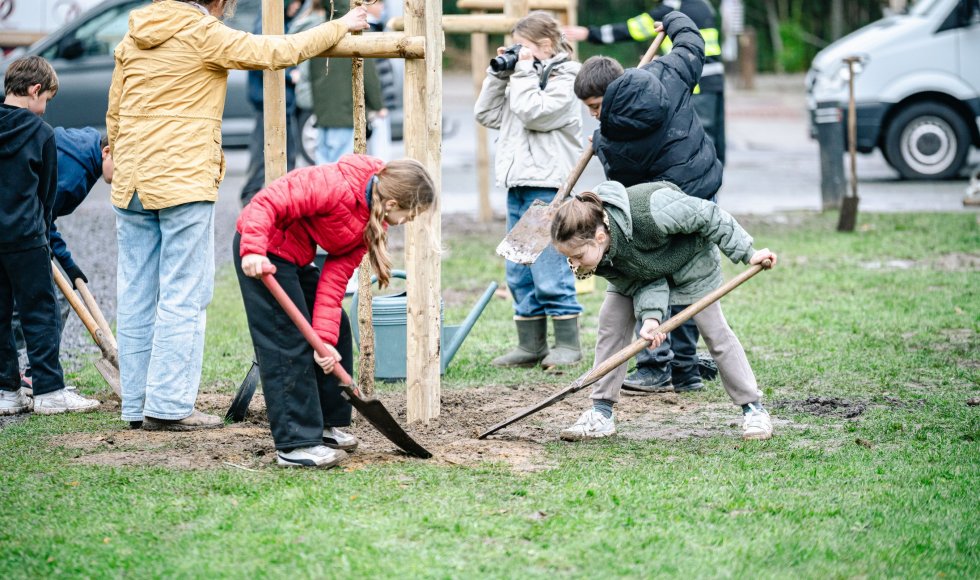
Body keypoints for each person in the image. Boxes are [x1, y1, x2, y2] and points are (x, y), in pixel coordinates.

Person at [106, 0, 369, 431]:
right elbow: (276, 52)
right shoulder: (202, 31)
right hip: (181, 179)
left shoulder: (134, 33)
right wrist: (338, 27)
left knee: (134, 294)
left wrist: (115, 152)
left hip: (131, 178)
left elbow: (115, 108)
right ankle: (168, 406)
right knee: (183, 293)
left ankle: (134, 405)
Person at [235, 155, 435, 468]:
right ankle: (296, 442)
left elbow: (335, 277)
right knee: (288, 338)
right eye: (411, 214)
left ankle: (326, 423)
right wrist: (253, 250)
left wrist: (325, 341)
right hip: (263, 254)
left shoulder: (371, 222)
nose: (409, 222)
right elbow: (266, 202)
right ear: (393, 202)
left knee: (334, 327)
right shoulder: (335, 185)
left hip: (295, 256)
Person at [550, 180, 777, 441]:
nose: (574, 265)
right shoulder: (598, 258)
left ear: (599, 237)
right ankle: (601, 413)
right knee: (611, 321)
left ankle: (753, 409)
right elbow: (644, 278)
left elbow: (709, 215)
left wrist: (748, 252)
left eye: (577, 256)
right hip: (650, 268)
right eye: (569, 257)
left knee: (715, 332)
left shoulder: (651, 211)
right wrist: (651, 320)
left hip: (691, 262)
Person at [573, 11, 721, 395]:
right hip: (703, 186)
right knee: (687, 276)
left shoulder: (610, 141)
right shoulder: (666, 75)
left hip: (663, 204)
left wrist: (602, 142)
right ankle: (685, 371)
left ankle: (656, 367)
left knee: (652, 274)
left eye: (595, 106)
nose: (593, 114)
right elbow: (692, 44)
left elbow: (626, 193)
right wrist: (673, 19)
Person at [474, 11, 584, 369]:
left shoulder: (568, 75)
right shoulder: (523, 77)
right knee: (519, 271)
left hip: (547, 185)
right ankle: (531, 344)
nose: (516, 54)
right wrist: (498, 74)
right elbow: (487, 114)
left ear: (546, 46)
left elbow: (536, 113)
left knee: (549, 268)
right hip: (519, 184)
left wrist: (521, 72)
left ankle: (567, 345)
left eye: (522, 47)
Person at [0, 56, 99, 416]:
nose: (45, 110)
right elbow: (46, 194)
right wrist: (41, 232)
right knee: (40, 314)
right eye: (47, 100)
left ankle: (6, 391)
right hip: (27, 237)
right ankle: (48, 391)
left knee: (1, 315)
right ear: (35, 90)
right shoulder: (42, 134)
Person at [13, 127, 114, 393]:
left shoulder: (87, 143)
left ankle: (29, 373)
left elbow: (46, 214)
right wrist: (64, 263)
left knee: (33, 299)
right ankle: (35, 374)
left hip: (20, 220)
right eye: (125, 166)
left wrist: (69, 266)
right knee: (53, 299)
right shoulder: (76, 174)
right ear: (107, 152)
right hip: (17, 224)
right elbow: (42, 217)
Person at [563, 0, 726, 165]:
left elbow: (634, 28)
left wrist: (590, 33)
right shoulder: (702, 4)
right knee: (714, 144)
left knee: (702, 147)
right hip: (714, 79)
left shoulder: (673, 7)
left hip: (698, 85)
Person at [239, 0, 305, 207]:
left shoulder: (285, 23)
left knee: (286, 154)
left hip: (282, 100)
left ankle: (278, 201)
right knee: (264, 155)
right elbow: (266, 56)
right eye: (293, 2)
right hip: (269, 101)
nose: (296, 6)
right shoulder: (269, 25)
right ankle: (250, 199)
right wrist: (290, 76)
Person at [307, 0, 384, 165]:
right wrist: (377, 106)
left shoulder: (318, 33)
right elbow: (369, 77)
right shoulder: (356, 35)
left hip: (322, 114)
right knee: (342, 165)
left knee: (323, 164)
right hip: (347, 113)